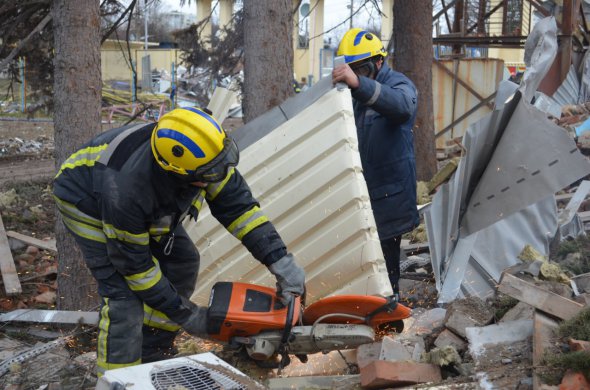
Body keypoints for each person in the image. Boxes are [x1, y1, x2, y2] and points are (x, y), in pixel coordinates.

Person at [53, 107, 305, 376]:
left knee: (183, 261)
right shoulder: (127, 194)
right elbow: (137, 271)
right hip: (85, 201)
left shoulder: (206, 156)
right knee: (123, 298)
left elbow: (240, 210)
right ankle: (118, 378)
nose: (219, 173)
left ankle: (152, 349)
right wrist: (187, 315)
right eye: (209, 174)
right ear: (179, 175)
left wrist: (280, 260)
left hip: (141, 198)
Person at [332, 28, 419, 301]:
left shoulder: (399, 85)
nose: (357, 76)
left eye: (363, 70)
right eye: (353, 71)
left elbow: (402, 106)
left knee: (384, 263)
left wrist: (359, 84)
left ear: (379, 62)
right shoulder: (348, 94)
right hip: (361, 194)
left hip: (389, 197)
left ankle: (389, 318)